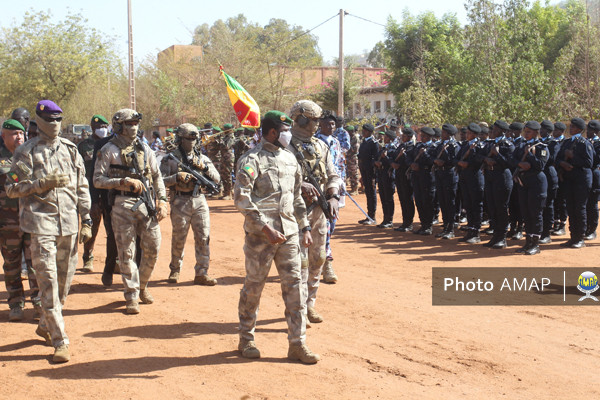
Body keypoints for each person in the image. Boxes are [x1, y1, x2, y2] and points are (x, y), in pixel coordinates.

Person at [5, 100, 93, 363]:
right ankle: (60, 339)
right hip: (40, 224)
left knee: (65, 282)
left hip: (68, 224)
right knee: (49, 281)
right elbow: (12, 188)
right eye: (49, 120)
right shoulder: (26, 152)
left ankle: (45, 322)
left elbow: (82, 186)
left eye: (58, 119)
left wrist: (86, 219)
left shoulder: (70, 150)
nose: (55, 124)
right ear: (39, 122)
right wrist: (40, 184)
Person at [234, 110, 319, 364]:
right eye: (284, 130)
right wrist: (264, 227)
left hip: (289, 234)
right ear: (272, 132)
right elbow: (241, 197)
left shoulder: (290, 159)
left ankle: (297, 344)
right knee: (254, 286)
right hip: (261, 236)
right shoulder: (251, 160)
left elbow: (296, 199)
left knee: (295, 289)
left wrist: (304, 228)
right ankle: (246, 338)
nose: (287, 134)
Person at [93, 109, 168, 314]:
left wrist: (162, 201)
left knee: (153, 247)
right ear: (118, 126)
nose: (133, 126)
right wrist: (122, 181)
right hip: (121, 205)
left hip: (145, 205)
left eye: (135, 122)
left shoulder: (145, 148)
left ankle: (142, 285)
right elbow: (97, 180)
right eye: (128, 123)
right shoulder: (108, 150)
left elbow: (157, 176)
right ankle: (131, 295)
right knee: (126, 253)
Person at [288, 100, 341, 326]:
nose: (317, 125)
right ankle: (298, 309)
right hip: (294, 212)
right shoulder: (284, 145)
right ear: (301, 119)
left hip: (319, 211)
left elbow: (333, 174)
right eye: (314, 120)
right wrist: (300, 186)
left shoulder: (321, 146)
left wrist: (333, 196)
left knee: (318, 257)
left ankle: (310, 304)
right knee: (299, 262)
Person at [160, 123, 221, 285]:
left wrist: (205, 167)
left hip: (199, 200)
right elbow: (159, 181)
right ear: (180, 139)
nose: (192, 142)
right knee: (179, 237)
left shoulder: (202, 158)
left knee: (203, 237)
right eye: (188, 138)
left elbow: (217, 178)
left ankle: (202, 272)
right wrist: (176, 177)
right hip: (180, 200)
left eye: (194, 139)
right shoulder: (170, 159)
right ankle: (175, 269)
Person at [0, 119, 40, 322]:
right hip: (8, 221)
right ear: (3, 136)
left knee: (36, 261)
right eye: (14, 133)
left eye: (22, 134)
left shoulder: (30, 154)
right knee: (12, 263)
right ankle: (16, 302)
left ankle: (39, 300)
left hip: (31, 218)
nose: (19, 137)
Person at [77, 114, 110, 273]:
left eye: (105, 127)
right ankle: (87, 258)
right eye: (99, 127)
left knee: (113, 230)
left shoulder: (110, 144)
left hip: (108, 193)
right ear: (92, 128)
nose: (103, 130)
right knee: (91, 228)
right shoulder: (84, 146)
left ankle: (114, 261)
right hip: (90, 193)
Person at [556, 118, 594, 248]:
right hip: (569, 179)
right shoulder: (567, 142)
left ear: (579, 129)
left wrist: (572, 157)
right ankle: (573, 236)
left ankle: (580, 238)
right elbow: (558, 158)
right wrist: (562, 163)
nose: (570, 128)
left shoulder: (584, 143)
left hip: (581, 180)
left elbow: (589, 163)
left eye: (572, 126)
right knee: (571, 208)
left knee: (579, 208)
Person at [512, 121, 548, 255]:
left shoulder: (542, 147)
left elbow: (540, 165)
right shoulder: (522, 145)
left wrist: (530, 155)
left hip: (537, 183)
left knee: (535, 213)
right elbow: (512, 159)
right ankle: (527, 242)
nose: (525, 134)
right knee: (526, 213)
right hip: (523, 182)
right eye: (525, 131)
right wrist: (521, 163)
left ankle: (535, 244)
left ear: (536, 133)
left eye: (528, 132)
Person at [315, 113, 344, 283]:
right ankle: (326, 263)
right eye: (328, 124)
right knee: (322, 227)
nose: (331, 127)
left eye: (333, 124)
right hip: (318, 191)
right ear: (320, 125)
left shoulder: (336, 142)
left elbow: (340, 165)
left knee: (331, 225)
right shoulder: (315, 142)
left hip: (334, 190)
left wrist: (340, 186)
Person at [481, 120, 515, 249]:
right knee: (492, 207)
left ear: (502, 131)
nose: (492, 132)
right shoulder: (490, 143)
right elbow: (480, 156)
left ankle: (502, 237)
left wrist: (497, 155)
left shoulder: (508, 145)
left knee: (501, 208)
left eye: (495, 130)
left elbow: (509, 163)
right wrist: (486, 159)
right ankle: (495, 235)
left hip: (502, 179)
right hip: (490, 178)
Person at [457, 123, 486, 243]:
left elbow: (480, 160)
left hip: (475, 177)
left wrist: (469, 163)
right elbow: (457, 157)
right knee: (468, 205)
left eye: (469, 133)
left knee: (476, 205)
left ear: (474, 134)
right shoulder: (465, 145)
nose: (466, 135)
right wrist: (460, 163)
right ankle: (470, 229)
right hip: (465, 177)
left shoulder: (480, 145)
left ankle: (476, 231)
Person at [433, 123, 460, 239]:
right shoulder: (440, 145)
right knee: (442, 200)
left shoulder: (454, 146)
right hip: (440, 173)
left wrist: (445, 161)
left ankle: (451, 228)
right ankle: (445, 226)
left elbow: (455, 160)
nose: (442, 134)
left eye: (444, 133)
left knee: (450, 201)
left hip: (449, 174)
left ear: (449, 135)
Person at [408, 127, 436, 235]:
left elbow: (432, 161)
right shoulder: (418, 146)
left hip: (427, 176)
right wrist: (412, 164)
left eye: (423, 136)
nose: (421, 137)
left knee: (427, 201)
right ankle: (423, 224)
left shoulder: (433, 147)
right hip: (416, 176)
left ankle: (428, 225)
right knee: (418, 200)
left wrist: (425, 154)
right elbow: (409, 157)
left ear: (428, 137)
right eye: (421, 135)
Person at [390, 127, 416, 232]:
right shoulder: (401, 145)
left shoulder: (411, 147)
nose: (402, 137)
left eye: (404, 136)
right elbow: (394, 155)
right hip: (399, 175)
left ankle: (409, 222)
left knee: (407, 198)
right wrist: (393, 163)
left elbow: (409, 161)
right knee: (402, 199)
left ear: (409, 137)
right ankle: (405, 221)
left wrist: (403, 156)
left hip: (406, 175)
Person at [374, 130, 398, 228]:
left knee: (388, 198)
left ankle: (390, 219)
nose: (385, 138)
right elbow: (376, 158)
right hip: (381, 174)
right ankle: (385, 218)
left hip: (389, 176)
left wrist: (386, 158)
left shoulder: (393, 149)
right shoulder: (383, 148)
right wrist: (376, 163)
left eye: (387, 137)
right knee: (383, 197)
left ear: (391, 139)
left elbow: (393, 162)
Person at [357, 123, 379, 224]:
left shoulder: (374, 143)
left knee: (371, 193)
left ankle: (372, 216)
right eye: (363, 130)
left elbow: (375, 158)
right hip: (364, 171)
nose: (363, 132)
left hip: (370, 172)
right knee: (368, 193)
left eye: (365, 131)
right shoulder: (364, 142)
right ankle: (368, 215)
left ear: (370, 132)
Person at [584, 120, 600, 240]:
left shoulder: (598, 144)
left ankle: (592, 229)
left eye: (590, 130)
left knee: (592, 203)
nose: (587, 132)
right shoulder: (584, 142)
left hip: (595, 175)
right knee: (584, 203)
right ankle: (585, 227)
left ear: (596, 132)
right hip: (584, 175)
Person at [552, 122, 568, 235]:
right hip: (553, 174)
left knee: (562, 201)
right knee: (554, 200)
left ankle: (562, 224)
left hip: (563, 175)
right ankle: (555, 222)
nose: (554, 132)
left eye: (557, 130)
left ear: (562, 131)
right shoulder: (552, 142)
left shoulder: (566, 143)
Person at [345, 125, 360, 194]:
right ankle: (352, 188)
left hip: (353, 158)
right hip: (349, 158)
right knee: (350, 174)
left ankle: (355, 189)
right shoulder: (349, 138)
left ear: (351, 131)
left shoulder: (355, 138)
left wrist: (348, 148)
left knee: (354, 174)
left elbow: (355, 150)